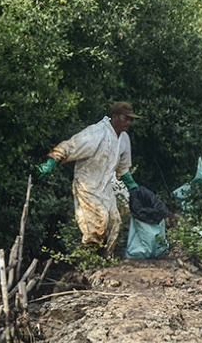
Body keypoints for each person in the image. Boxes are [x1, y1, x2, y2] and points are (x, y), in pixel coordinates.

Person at [35, 101, 141, 256]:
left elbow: (123, 167)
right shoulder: (96, 133)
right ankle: (86, 261)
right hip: (87, 184)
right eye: (126, 118)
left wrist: (132, 185)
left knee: (114, 222)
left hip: (105, 186)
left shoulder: (124, 139)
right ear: (115, 116)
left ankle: (105, 260)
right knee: (97, 225)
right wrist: (52, 161)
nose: (129, 122)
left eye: (130, 119)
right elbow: (71, 146)